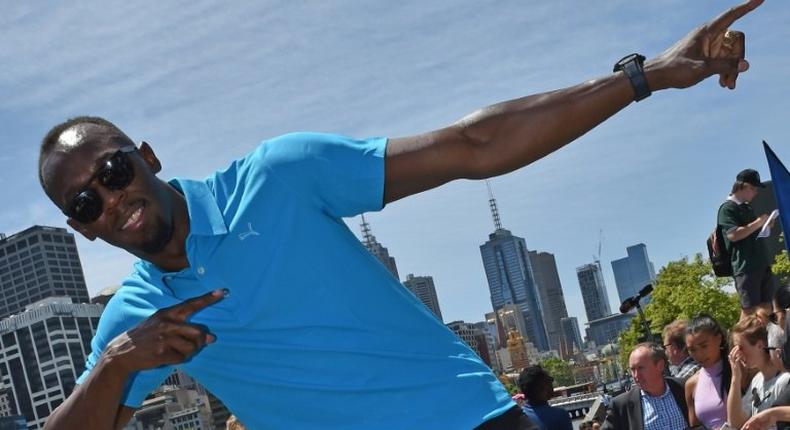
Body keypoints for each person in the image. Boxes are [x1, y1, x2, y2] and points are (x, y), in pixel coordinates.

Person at [36, 1, 763, 428]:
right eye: (84, 201)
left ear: (148, 156)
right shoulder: (130, 324)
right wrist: (115, 367)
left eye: (112, 168)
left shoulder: (276, 177)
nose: (110, 197)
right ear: (81, 227)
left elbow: (473, 144)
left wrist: (645, 76)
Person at [718, 168, 778, 319]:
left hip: (760, 263)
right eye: (753, 188)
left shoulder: (746, 207)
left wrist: (765, 226)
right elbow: (733, 234)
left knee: (767, 308)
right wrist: (758, 223)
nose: (755, 192)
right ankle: (741, 341)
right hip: (746, 268)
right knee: (751, 312)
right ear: (742, 186)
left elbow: (749, 232)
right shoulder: (727, 208)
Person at [602, 343, 689, 430]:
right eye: (632, 369)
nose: (636, 375)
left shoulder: (685, 388)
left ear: (660, 365)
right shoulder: (621, 406)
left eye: (641, 368)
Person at [727, 315, 790, 430]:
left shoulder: (784, 379)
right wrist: (735, 378)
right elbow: (736, 423)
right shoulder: (757, 379)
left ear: (760, 345)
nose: (737, 354)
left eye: (740, 348)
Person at [685, 314, 732, 430]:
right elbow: (694, 427)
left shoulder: (739, 369)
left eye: (704, 346)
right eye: (692, 349)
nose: (699, 354)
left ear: (719, 339)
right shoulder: (691, 384)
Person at [518, 366, 573, 430]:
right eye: (550, 380)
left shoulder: (518, 419)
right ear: (542, 386)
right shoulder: (560, 415)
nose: (552, 383)